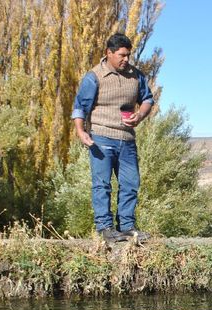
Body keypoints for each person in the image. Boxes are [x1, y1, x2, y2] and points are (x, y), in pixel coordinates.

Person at [71, 33, 154, 243]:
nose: (126, 59)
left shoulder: (136, 76)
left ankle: (127, 226)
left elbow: (147, 99)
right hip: (101, 137)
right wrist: (81, 132)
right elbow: (80, 106)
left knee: (130, 182)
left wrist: (140, 115)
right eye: (121, 55)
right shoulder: (94, 77)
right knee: (102, 184)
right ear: (109, 53)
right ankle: (105, 228)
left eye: (128, 55)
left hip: (127, 139)